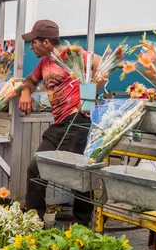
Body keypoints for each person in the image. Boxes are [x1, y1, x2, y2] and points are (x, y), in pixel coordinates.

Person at [19, 20, 104, 226]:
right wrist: (25, 92)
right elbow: (30, 81)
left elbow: (102, 64)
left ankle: (82, 227)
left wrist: (90, 95)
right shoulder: (44, 63)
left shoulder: (72, 54)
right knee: (35, 169)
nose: (31, 47)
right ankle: (35, 220)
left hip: (77, 122)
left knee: (77, 175)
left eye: (34, 43)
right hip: (59, 124)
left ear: (46, 42)